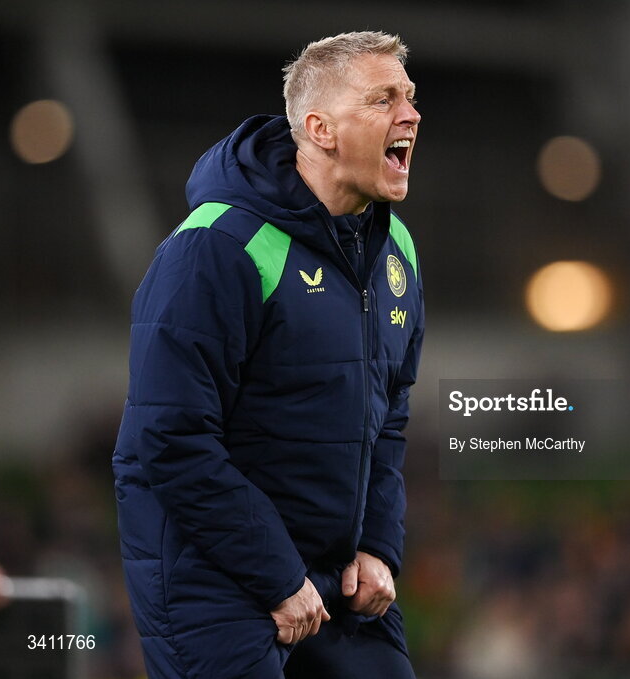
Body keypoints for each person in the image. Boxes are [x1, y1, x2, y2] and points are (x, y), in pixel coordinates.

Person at [112, 31, 424, 679]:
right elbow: (170, 437)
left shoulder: (398, 254)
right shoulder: (214, 247)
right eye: (383, 98)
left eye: (410, 96)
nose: (411, 114)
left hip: (337, 568)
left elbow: (389, 417)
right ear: (321, 129)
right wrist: (277, 576)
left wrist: (377, 547)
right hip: (211, 572)